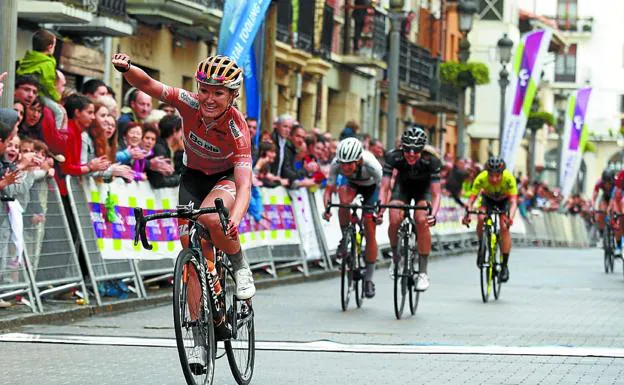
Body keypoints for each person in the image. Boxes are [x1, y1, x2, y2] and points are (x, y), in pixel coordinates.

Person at [111, 53, 256, 304]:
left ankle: (240, 266)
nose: (209, 99)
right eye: (204, 90)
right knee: (190, 250)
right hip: (192, 177)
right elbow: (148, 85)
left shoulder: (237, 127)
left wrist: (234, 219)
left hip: (225, 178)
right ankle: (200, 336)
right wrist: (127, 68)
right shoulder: (188, 102)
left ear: (233, 95)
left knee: (211, 218)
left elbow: (244, 185)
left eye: (218, 93)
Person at [378, 127, 441, 291]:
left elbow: (436, 193)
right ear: (402, 148)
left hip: (423, 191)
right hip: (402, 188)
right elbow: (384, 187)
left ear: (422, 149)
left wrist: (433, 214)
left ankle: (422, 272)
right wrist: (380, 208)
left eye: (416, 151)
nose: (411, 154)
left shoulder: (431, 160)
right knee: (394, 216)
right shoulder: (393, 157)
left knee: (421, 220)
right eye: (407, 150)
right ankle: (396, 258)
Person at [323, 137, 382, 298]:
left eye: (349, 164)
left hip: (371, 188)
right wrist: (327, 209)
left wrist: (380, 211)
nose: (345, 167)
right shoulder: (336, 164)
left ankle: (369, 279)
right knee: (343, 202)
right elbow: (329, 190)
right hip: (351, 185)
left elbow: (383, 189)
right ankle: (345, 237)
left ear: (359, 160)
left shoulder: (371, 164)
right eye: (343, 163)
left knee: (370, 228)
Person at [462, 156, 518, 283]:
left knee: (504, 227)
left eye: (497, 176)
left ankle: (504, 266)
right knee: (481, 217)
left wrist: (510, 218)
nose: (494, 179)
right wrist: (468, 214)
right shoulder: (481, 178)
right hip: (488, 200)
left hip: (504, 202)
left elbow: (514, 202)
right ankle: (482, 245)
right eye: (491, 176)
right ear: (487, 173)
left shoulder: (509, 179)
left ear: (502, 174)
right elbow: (471, 199)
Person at [16, 29, 65, 129]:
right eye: (54, 45)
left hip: (23, 92)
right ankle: (58, 132)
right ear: (50, 47)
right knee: (59, 112)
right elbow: (47, 83)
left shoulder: (27, 58)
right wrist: (56, 97)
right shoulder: (48, 62)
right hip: (40, 94)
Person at [592, 170, 616, 251]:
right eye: (605, 183)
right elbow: (595, 194)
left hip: (615, 198)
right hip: (605, 198)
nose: (607, 185)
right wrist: (593, 205)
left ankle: (615, 234)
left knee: (616, 212)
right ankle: (602, 236)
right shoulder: (599, 182)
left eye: (609, 183)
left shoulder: (617, 182)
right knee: (601, 213)